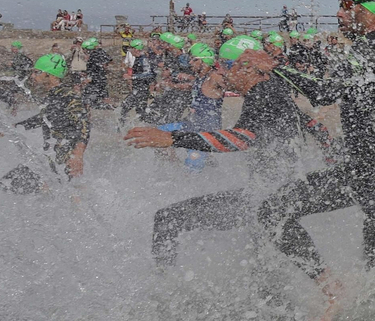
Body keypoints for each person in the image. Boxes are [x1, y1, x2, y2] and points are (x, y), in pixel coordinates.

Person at [254, 0, 375, 321]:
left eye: (345, 6)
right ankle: (334, 291)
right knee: (274, 211)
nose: (338, 14)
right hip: (367, 171)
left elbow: (324, 93)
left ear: (365, 10)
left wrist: (274, 66)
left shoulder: (370, 50)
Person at [124, 35, 311, 269]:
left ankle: (166, 288)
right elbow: (311, 123)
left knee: (168, 218)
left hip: (267, 197)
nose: (221, 73)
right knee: (262, 257)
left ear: (244, 67)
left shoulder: (262, 93)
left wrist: (172, 138)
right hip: (272, 194)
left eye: (224, 66)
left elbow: (240, 139)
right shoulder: (271, 90)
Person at [0, 54, 90, 193]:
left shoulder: (68, 95)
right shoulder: (53, 96)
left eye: (37, 72)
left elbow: (84, 123)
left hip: (63, 160)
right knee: (9, 184)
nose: (32, 76)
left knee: (8, 184)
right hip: (51, 158)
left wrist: (77, 155)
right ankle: (67, 195)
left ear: (51, 75)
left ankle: (69, 194)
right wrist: (13, 128)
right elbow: (43, 118)